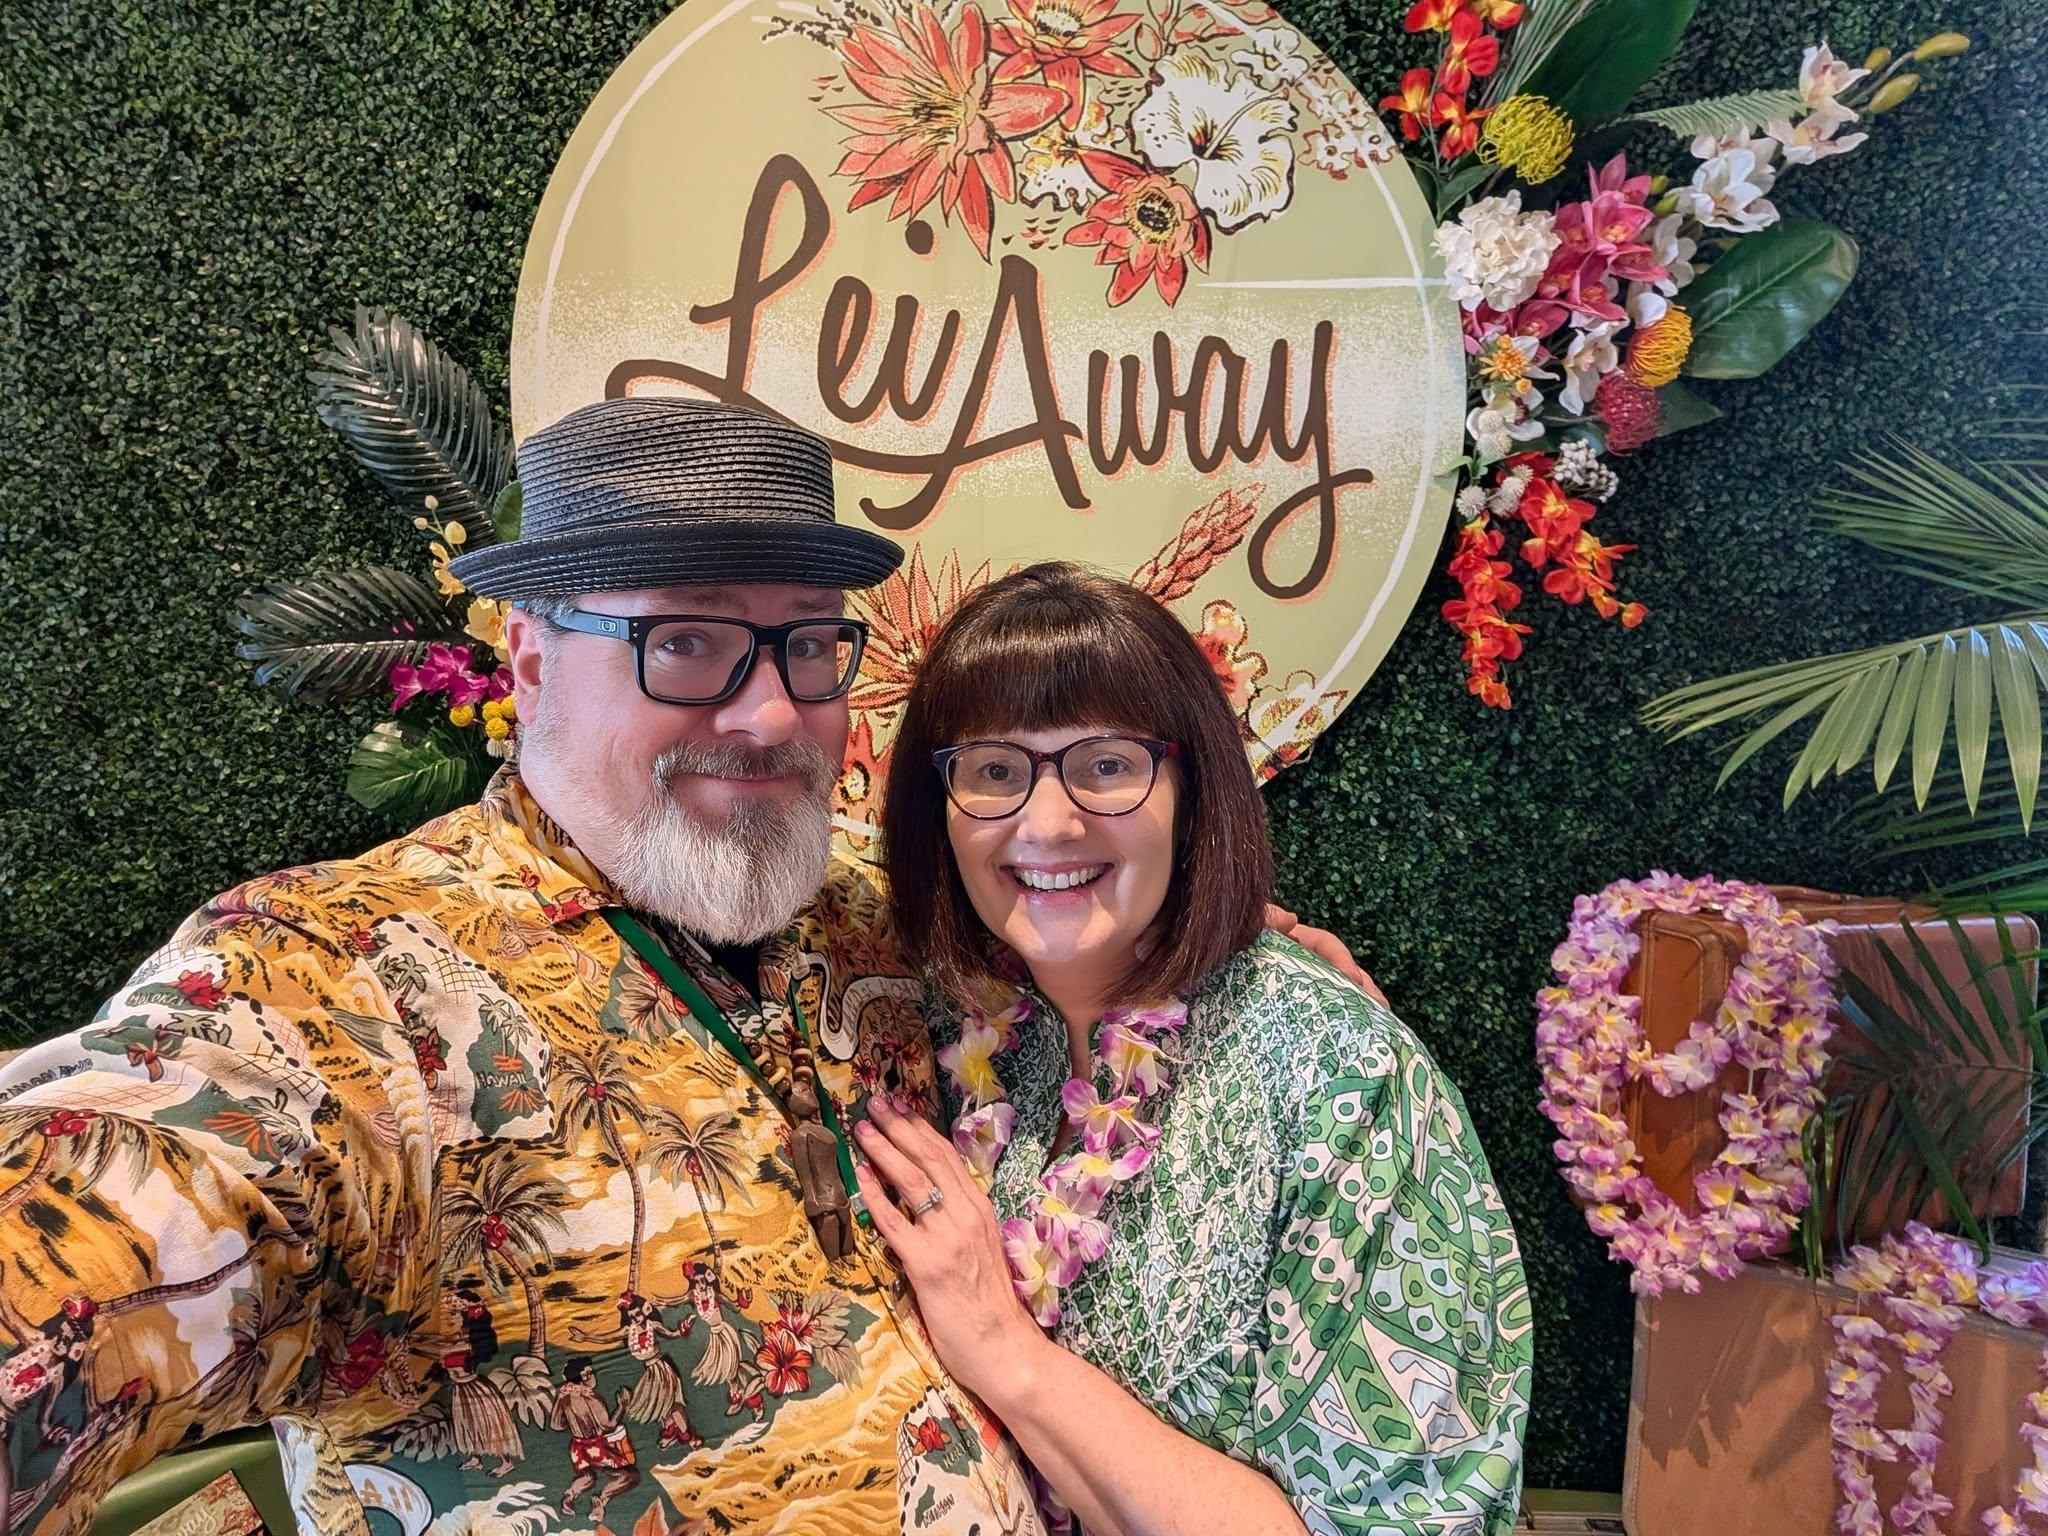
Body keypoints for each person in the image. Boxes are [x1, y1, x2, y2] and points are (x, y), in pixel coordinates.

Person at [0, 396, 1368, 1535]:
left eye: (808, 644)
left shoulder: (876, 913)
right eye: (687, 641)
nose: (769, 712)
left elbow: (1069, 901)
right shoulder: (342, 980)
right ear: (532, 662)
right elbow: (133, 1181)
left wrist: (1226, 948)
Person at [858, 563, 1533, 1536]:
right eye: (995, 771)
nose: (1046, 823)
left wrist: (1004, 1349)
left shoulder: (1337, 1079)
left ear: (1192, 788)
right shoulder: (943, 1028)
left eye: (1105, 765)